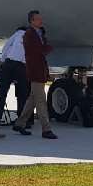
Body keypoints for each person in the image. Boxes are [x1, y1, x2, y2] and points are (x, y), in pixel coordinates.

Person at [12, 10, 57, 139]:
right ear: (31, 21)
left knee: (32, 99)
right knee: (41, 101)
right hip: (35, 71)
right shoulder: (29, 35)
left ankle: (20, 124)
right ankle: (46, 129)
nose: (40, 21)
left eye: (40, 18)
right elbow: (37, 51)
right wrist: (48, 48)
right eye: (37, 19)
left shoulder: (39, 34)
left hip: (40, 71)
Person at [0, 26, 30, 126]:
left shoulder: (16, 35)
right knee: (23, 94)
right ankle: (22, 121)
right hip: (21, 66)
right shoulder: (29, 36)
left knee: (2, 93)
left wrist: (2, 60)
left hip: (9, 64)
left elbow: (6, 46)